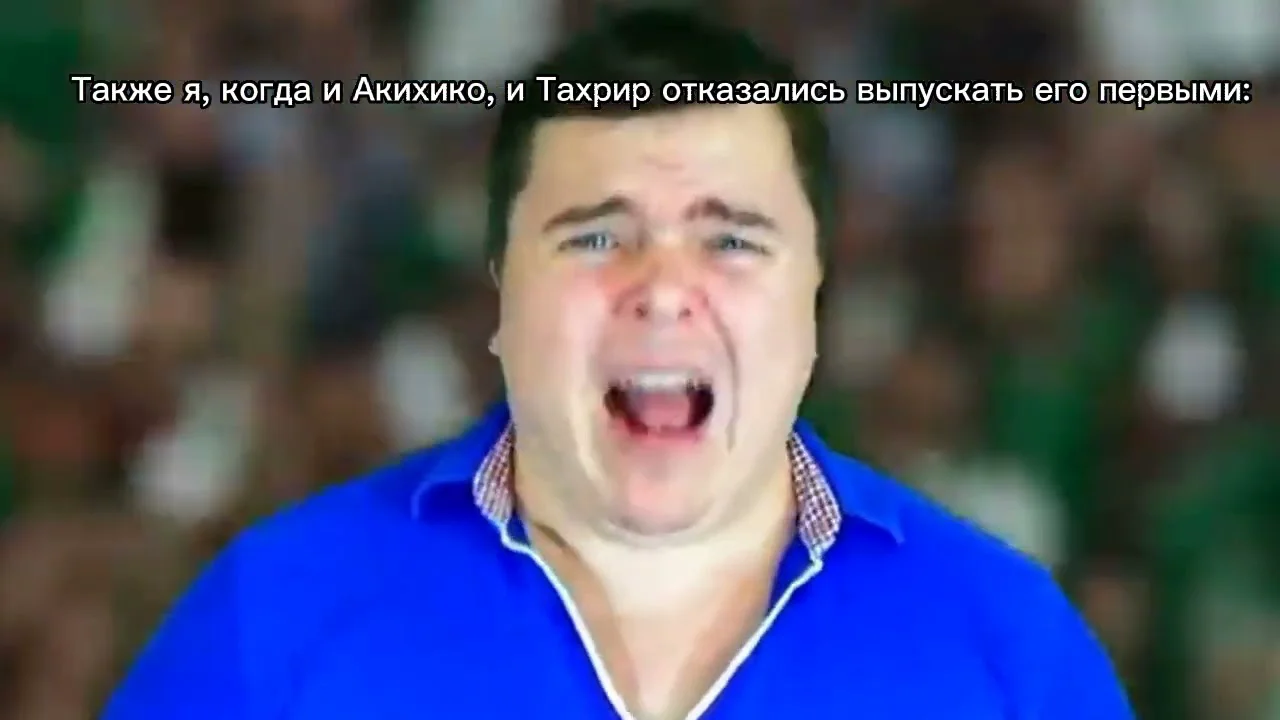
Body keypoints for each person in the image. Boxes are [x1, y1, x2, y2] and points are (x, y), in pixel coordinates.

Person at [104, 7, 1134, 719]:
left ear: (814, 296)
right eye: (596, 236)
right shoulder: (276, 616)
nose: (663, 288)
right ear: (500, 291)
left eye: (731, 239)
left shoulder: (1008, 648)